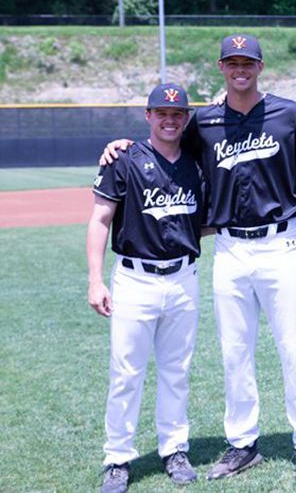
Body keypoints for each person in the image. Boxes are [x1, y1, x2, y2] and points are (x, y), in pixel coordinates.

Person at [101, 34, 296, 481]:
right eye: (231, 62)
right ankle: (242, 443)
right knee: (234, 351)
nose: (240, 69)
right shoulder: (203, 124)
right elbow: (165, 149)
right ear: (221, 67)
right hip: (229, 247)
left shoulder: (288, 114)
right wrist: (121, 145)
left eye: (248, 62)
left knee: (294, 346)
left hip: (282, 244)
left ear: (261, 66)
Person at [88, 83, 203, 493]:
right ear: (148, 116)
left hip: (184, 278)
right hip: (135, 279)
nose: (170, 119)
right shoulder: (124, 158)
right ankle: (117, 457)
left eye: (177, 113)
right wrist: (96, 279)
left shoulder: (196, 162)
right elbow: (101, 219)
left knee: (177, 371)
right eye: (162, 112)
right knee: (126, 373)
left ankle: (174, 449)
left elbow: (199, 222)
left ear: (185, 118)